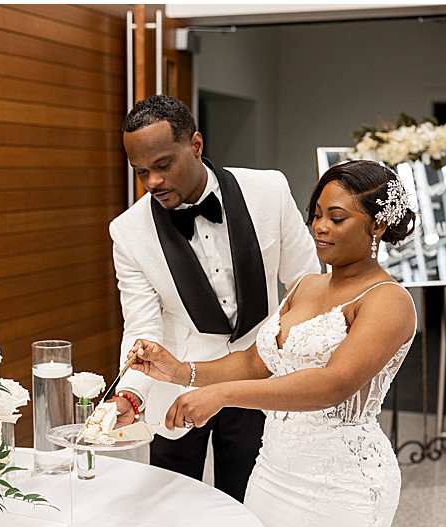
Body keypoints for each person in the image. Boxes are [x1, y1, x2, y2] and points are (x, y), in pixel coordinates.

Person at [128, 159, 417, 527]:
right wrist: (181, 370)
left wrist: (224, 396)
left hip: (341, 486)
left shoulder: (389, 301)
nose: (320, 228)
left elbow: (333, 384)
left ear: (378, 226)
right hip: (274, 472)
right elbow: (259, 361)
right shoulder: (307, 286)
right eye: (316, 214)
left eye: (337, 217)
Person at [109, 94, 320, 501]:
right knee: (171, 505)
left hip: (260, 377)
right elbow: (141, 326)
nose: (153, 182)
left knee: (251, 502)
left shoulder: (269, 190)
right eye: (141, 172)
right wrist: (131, 393)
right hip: (176, 386)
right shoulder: (128, 232)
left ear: (195, 145)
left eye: (163, 165)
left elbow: (306, 285)